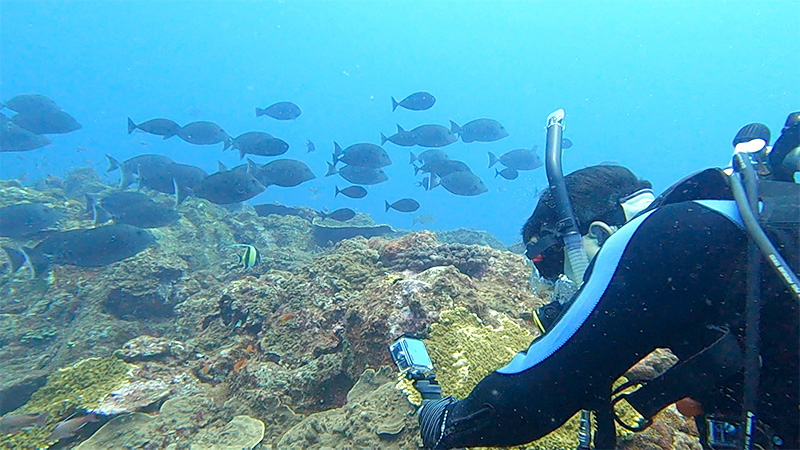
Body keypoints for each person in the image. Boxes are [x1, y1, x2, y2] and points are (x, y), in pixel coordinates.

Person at [417, 112, 800, 450]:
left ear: (598, 234)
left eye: (556, 268)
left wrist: (444, 421)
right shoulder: (724, 228)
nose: (565, 287)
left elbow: (525, 402)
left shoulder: (651, 238)